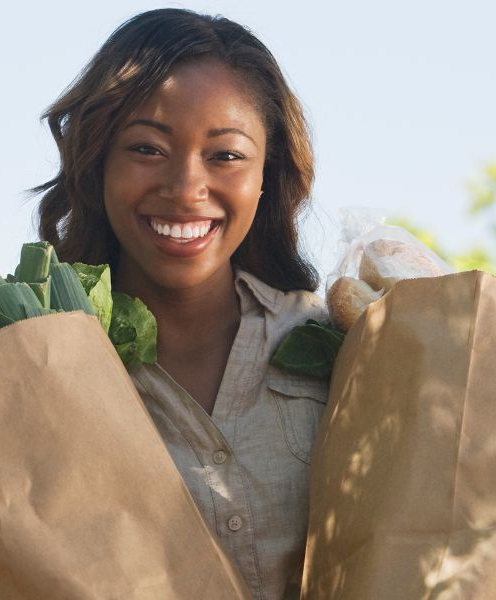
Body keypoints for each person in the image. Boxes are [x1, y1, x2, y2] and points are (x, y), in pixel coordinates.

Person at [35, 9, 327, 599]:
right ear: (97, 162)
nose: (185, 188)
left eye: (225, 156)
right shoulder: (31, 376)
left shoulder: (338, 348)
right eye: (147, 148)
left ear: (267, 174)